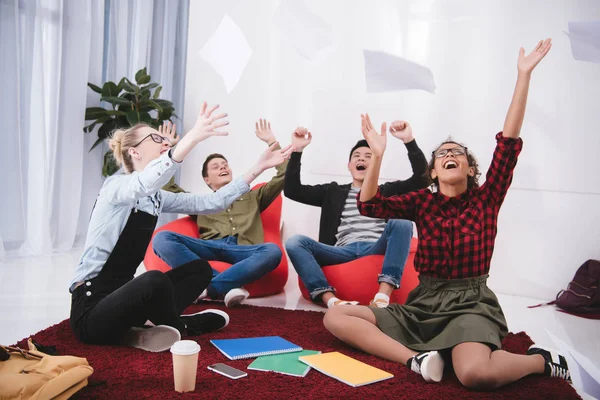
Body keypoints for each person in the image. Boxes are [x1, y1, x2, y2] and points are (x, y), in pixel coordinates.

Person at [323, 39, 572, 389]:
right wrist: (377, 157)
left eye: (458, 153)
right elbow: (370, 205)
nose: (450, 154)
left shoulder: (487, 198)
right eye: (442, 154)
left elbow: (508, 142)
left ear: (471, 169)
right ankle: (416, 359)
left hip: (471, 303)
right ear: (435, 172)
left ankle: (540, 361)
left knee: (475, 375)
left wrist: (523, 76)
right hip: (423, 303)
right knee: (336, 317)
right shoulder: (422, 201)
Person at [69, 102, 293, 352]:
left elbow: (213, 201)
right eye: (155, 138)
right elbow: (145, 182)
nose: (165, 142)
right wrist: (194, 137)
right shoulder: (116, 187)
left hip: (123, 303)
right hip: (91, 312)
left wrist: (258, 167)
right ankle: (180, 327)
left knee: (199, 270)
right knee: (154, 280)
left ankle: (145, 328)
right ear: (134, 152)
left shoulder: (156, 198)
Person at [284, 123, 429, 308]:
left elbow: (423, 178)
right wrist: (297, 150)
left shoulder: (388, 191)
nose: (362, 159)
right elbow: (292, 190)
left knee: (402, 221)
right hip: (341, 251)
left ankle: (382, 297)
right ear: (349, 165)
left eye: (369, 156)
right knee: (294, 242)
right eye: (357, 156)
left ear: (376, 162)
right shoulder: (333, 191)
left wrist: (408, 140)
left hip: (377, 246)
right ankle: (331, 300)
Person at [152, 119, 289, 307]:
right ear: (207, 180)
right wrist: (168, 150)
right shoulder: (199, 203)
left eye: (225, 164)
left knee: (273, 251)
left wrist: (272, 142)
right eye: (216, 167)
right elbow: (167, 187)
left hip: (244, 249)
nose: (223, 167)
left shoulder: (254, 196)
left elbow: (284, 176)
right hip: (210, 247)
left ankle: (207, 288)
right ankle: (226, 286)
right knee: (161, 239)